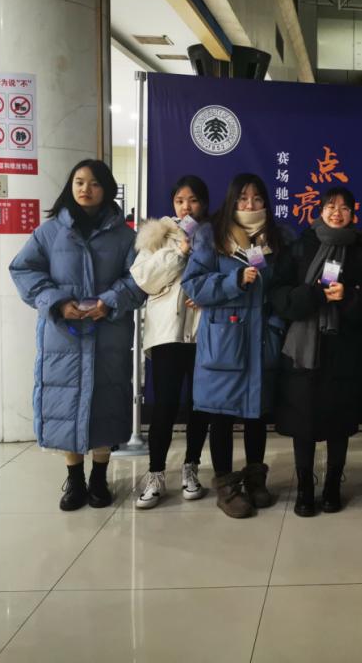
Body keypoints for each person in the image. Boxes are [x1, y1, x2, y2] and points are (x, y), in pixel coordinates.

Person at [9, 159, 144, 511]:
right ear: (70, 185)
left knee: (105, 402)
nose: (86, 189)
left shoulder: (126, 236)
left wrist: (109, 301)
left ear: (107, 189)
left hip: (108, 332)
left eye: (95, 183)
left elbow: (139, 280)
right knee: (65, 402)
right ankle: (74, 479)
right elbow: (23, 270)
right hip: (63, 336)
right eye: (79, 181)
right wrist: (57, 302)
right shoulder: (49, 232)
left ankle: (99, 478)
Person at [182, 173, 286, 519]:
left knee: (256, 414)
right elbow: (193, 284)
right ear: (231, 200)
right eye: (242, 197)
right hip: (224, 337)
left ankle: (256, 479)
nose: (249, 204)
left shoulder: (277, 237)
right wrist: (234, 280)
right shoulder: (211, 234)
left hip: (261, 337)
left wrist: (275, 324)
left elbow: (283, 287)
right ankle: (226, 487)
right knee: (221, 415)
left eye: (257, 198)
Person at [272, 187, 362, 517]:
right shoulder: (301, 244)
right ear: (320, 209)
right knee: (302, 420)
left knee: (339, 420)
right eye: (331, 206)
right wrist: (314, 295)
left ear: (353, 214)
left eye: (345, 208)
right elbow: (279, 294)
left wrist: (348, 297)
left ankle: (332, 484)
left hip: (344, 348)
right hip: (303, 349)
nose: (337, 212)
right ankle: (305, 485)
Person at [130, 175, 212, 509]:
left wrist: (207, 294)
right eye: (180, 201)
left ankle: (191, 468)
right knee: (164, 404)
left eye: (192, 200)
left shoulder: (215, 234)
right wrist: (179, 251)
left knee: (200, 404)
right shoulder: (157, 235)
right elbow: (145, 279)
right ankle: (156, 474)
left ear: (203, 204)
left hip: (205, 332)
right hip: (167, 332)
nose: (186, 207)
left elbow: (223, 277)